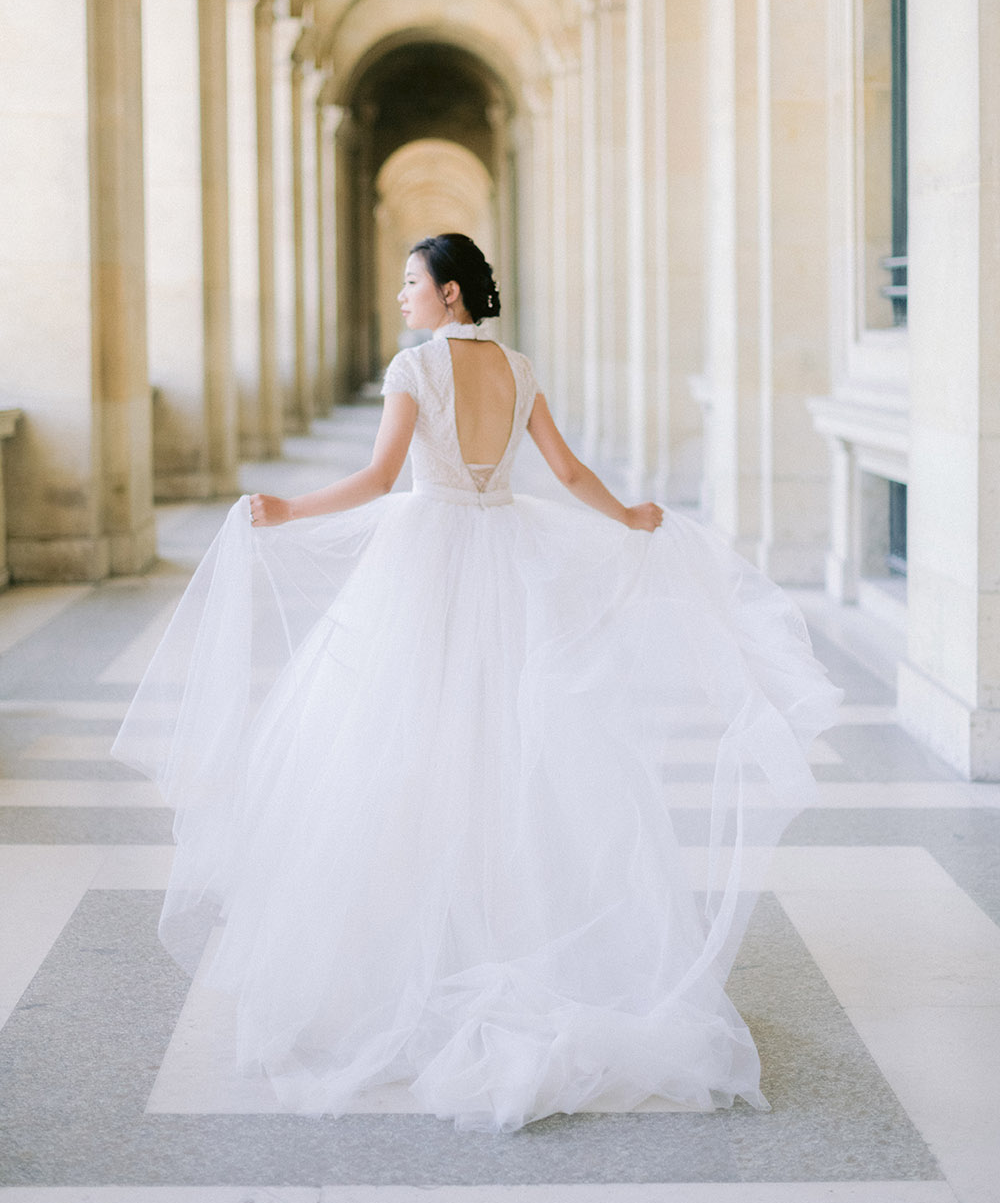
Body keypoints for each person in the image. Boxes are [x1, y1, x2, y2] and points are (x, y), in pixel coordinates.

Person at [113, 232, 841, 1134]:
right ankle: (509, 926)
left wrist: (289, 509)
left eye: (413, 284)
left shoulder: (415, 370)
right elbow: (569, 473)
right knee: (509, 743)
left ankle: (413, 949)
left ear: (451, 295)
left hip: (426, 561)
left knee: (402, 740)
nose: (403, 297)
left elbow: (382, 478)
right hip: (506, 558)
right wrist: (629, 517)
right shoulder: (519, 367)